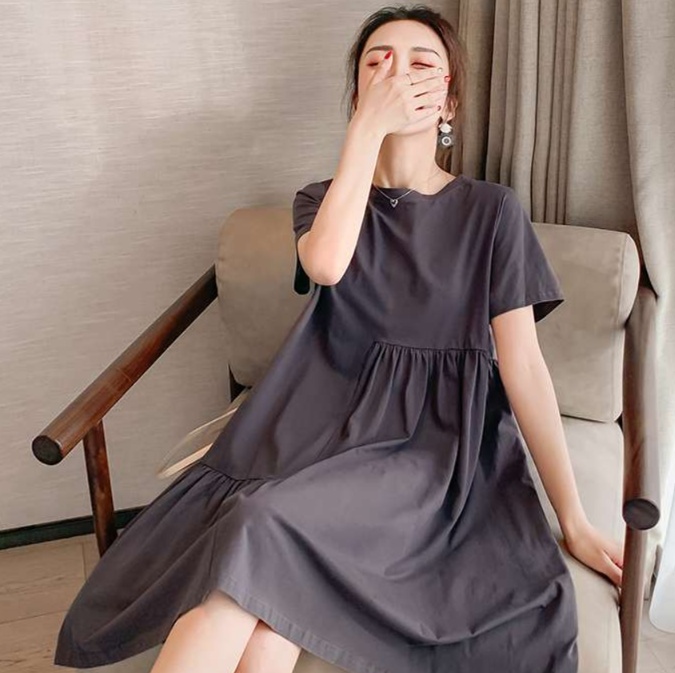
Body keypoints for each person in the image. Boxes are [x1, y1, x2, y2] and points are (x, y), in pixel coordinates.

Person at [53, 5, 625, 673]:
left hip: (425, 444)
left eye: (420, 63)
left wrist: (574, 520)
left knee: (259, 527)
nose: (397, 75)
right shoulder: (322, 200)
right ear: (357, 95)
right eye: (377, 64)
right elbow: (326, 264)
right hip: (317, 422)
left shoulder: (490, 210)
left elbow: (522, 365)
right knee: (262, 612)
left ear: (448, 102)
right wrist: (365, 133)